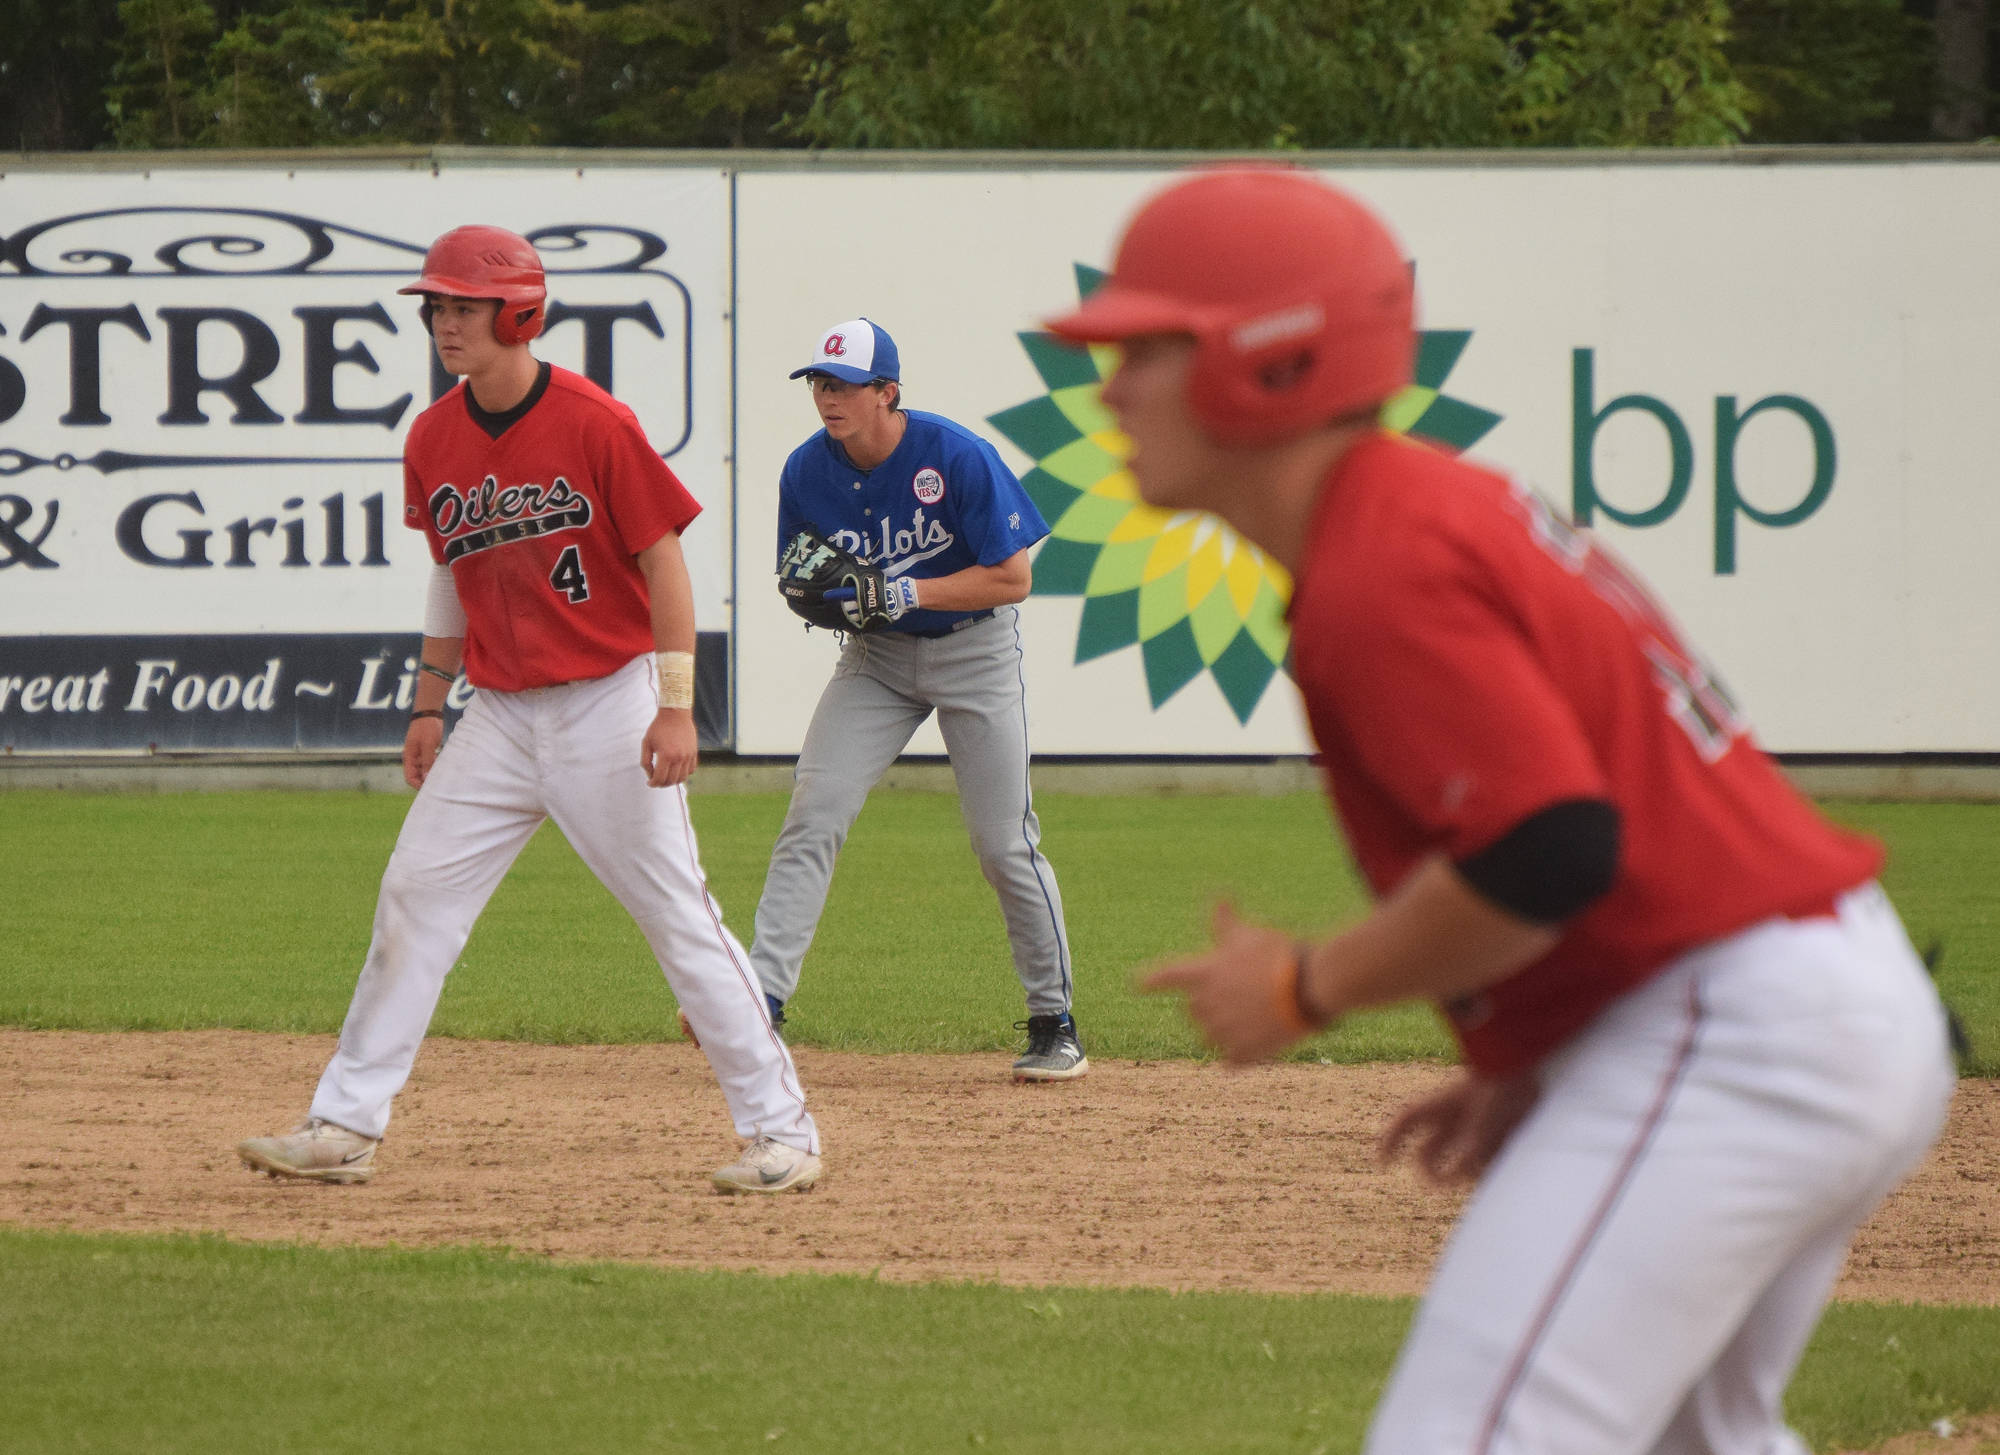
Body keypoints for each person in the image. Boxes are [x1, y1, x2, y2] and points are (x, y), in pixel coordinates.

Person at [1048, 168, 1955, 1454]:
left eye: (1149, 347)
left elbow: (1548, 848)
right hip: (1792, 1002)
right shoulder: (1417, 513)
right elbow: (1591, 832)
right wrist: (1530, 1057)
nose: (1112, 385)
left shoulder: (1383, 559)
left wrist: (1309, 984)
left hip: (1737, 1032)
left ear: (1269, 364)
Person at [237, 225, 821, 1195]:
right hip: (499, 718)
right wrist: (428, 705)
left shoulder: (595, 421)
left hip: (606, 702)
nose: (442, 322)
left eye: (462, 306)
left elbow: (663, 562)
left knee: (677, 916)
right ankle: (344, 1122)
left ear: (519, 313)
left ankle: (782, 1131)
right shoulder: (433, 436)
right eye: (435, 306)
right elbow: (451, 575)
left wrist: (675, 708)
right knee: (415, 895)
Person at [748, 317, 1086, 1081]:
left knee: (1004, 842)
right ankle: (760, 999)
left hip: (976, 651)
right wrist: (826, 599)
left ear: (888, 392)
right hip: (879, 660)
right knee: (814, 808)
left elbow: (1013, 578)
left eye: (846, 385)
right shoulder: (806, 472)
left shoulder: (956, 457)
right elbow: (804, 582)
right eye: (820, 384)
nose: (829, 398)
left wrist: (899, 589)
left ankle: (1053, 1018)